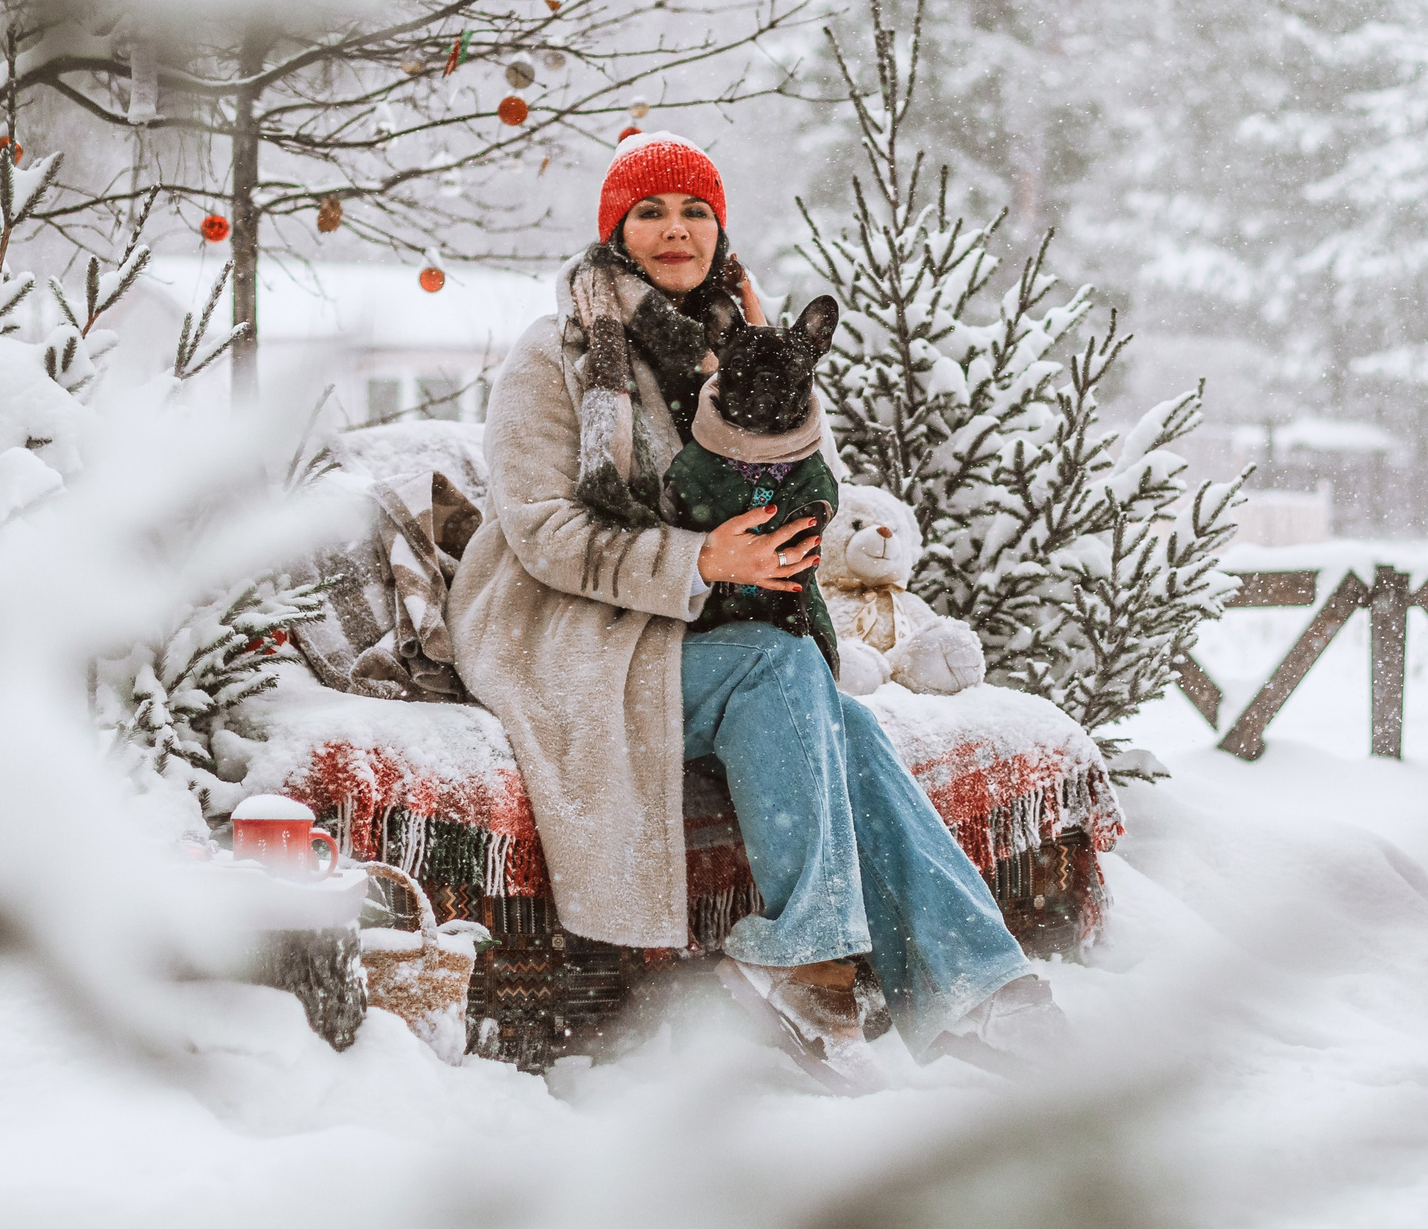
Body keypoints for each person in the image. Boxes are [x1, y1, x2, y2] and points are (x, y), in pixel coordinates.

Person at [447, 132, 1069, 1091]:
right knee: (782, 674)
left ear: (719, 225)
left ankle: (979, 988)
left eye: (694, 210)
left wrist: (782, 552)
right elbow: (541, 534)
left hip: (694, 635)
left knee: (841, 717)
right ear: (616, 231)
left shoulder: (745, 345)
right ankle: (803, 957)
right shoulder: (558, 353)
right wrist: (699, 558)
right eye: (649, 212)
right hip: (569, 637)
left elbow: (794, 487)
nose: (675, 229)